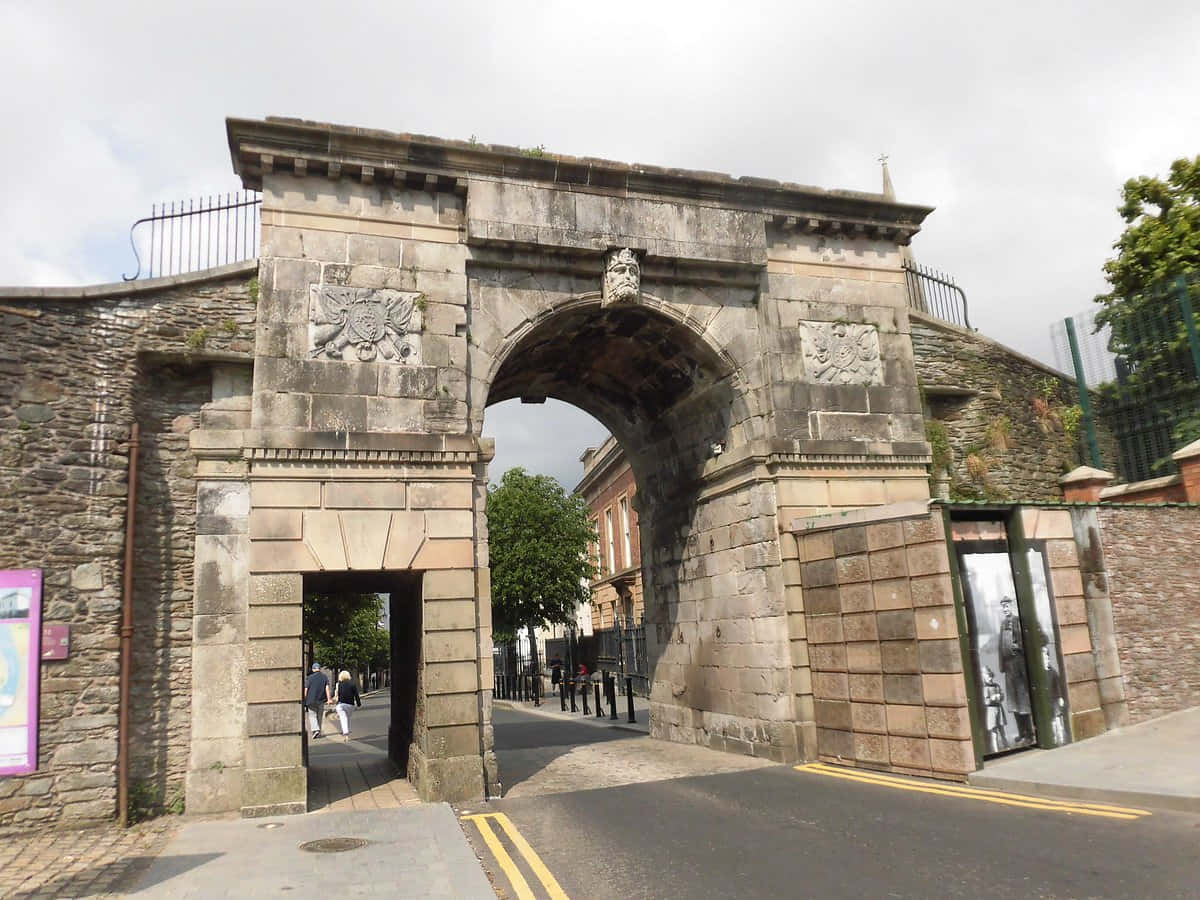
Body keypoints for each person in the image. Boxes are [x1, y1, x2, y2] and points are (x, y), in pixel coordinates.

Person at [998, 598, 1034, 743]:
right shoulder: (1003, 623)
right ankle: (1022, 733)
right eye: (1003, 607)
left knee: (1023, 701)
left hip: (1019, 666)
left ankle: (1030, 734)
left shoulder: (1019, 621)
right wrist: (1002, 666)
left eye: (1007, 606)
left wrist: (1018, 646)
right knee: (1013, 703)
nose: (1005, 609)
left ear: (1012, 606)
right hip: (1009, 669)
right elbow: (1000, 646)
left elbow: (1026, 640)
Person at [982, 666, 1008, 753]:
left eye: (990, 676)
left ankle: (1007, 747)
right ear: (984, 677)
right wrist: (992, 698)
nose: (989, 678)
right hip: (991, 711)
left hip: (999, 709)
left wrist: (1000, 696)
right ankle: (996, 751)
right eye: (987, 676)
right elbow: (986, 701)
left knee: (1002, 731)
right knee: (994, 733)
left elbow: (1002, 695)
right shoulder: (985, 688)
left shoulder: (996, 685)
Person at [304, 662, 332, 739]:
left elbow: (306, 689)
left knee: (312, 715)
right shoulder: (324, 677)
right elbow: (327, 689)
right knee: (319, 716)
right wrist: (329, 699)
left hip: (311, 700)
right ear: (319, 669)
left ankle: (315, 730)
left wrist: (304, 699)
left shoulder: (309, 678)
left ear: (313, 669)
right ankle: (318, 731)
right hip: (321, 700)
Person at [335, 670, 362, 740]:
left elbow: (339, 695)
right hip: (350, 705)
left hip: (342, 704)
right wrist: (359, 704)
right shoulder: (352, 684)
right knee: (348, 718)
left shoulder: (339, 684)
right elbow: (356, 695)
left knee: (343, 718)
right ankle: (347, 731)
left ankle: (346, 733)